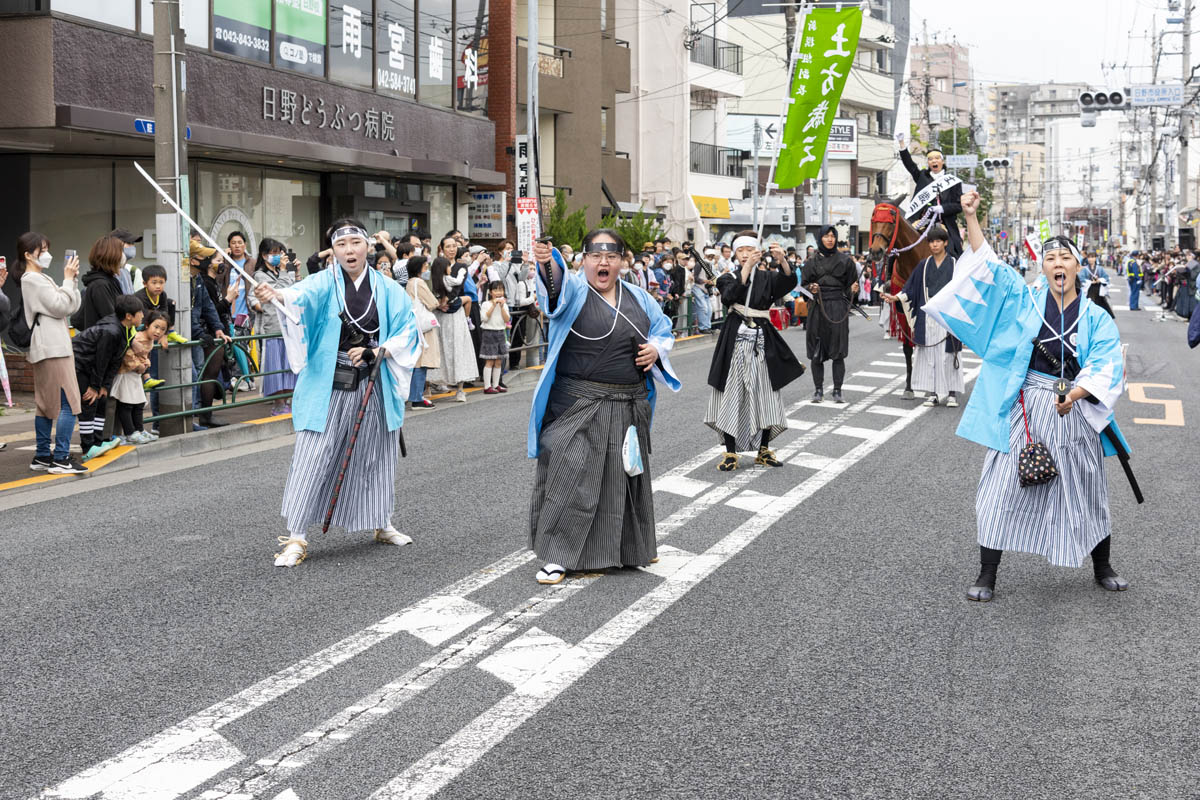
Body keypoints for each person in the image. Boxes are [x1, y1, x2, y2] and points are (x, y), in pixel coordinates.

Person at [925, 191, 1131, 602]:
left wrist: (1075, 394)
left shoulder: (1096, 317)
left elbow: (1107, 362)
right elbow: (989, 265)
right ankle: (987, 573)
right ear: (1043, 266)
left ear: (1078, 268)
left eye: (1066, 259)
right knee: (1000, 485)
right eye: (1051, 259)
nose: (1058, 265)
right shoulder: (1024, 300)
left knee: (1086, 487)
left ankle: (1102, 565)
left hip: (1075, 408)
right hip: (1026, 405)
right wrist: (971, 216)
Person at [252, 218, 421, 567]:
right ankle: (296, 535)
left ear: (367, 247)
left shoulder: (388, 288)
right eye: (341, 245)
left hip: (374, 379)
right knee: (315, 454)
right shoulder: (322, 283)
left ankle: (381, 521)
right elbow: (299, 296)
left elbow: (409, 330)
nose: (349, 251)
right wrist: (277, 294)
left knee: (376, 453)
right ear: (334, 250)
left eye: (355, 244)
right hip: (330, 381)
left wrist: (379, 351)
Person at [527, 229, 681, 585]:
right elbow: (555, 292)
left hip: (627, 403)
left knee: (622, 479)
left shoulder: (640, 298)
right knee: (571, 470)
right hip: (577, 403)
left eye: (611, 257)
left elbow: (663, 330)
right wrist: (549, 262)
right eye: (596, 256)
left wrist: (656, 349)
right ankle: (558, 555)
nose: (603, 262)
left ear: (623, 262)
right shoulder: (576, 291)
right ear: (584, 260)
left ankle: (627, 550)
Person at [704, 232, 803, 471]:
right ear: (735, 254)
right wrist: (746, 269)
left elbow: (788, 283)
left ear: (758, 251)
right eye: (741, 251)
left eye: (750, 249)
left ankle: (764, 449)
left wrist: (782, 261)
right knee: (732, 396)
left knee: (766, 395)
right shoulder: (727, 277)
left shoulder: (768, 277)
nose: (746, 254)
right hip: (735, 342)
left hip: (762, 341)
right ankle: (730, 452)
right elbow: (729, 297)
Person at [18, 233, 87, 474]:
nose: (47, 254)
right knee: (69, 402)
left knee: (46, 404)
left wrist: (72, 282)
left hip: (50, 346)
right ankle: (60, 457)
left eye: (47, 248)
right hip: (53, 347)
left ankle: (42, 456)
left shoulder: (40, 278)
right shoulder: (32, 279)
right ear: (28, 254)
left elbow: (70, 305)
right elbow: (59, 307)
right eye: (42, 249)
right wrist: (67, 280)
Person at [883, 225, 964, 408]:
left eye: (938, 241)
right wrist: (895, 297)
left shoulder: (954, 264)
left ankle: (951, 393)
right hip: (928, 316)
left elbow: (963, 290)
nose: (934, 245)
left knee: (949, 355)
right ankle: (934, 392)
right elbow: (910, 288)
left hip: (948, 316)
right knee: (930, 355)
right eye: (931, 242)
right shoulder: (923, 265)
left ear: (945, 243)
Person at [73, 294, 143, 460]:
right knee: (89, 402)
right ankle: (87, 447)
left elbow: (114, 361)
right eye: (140, 313)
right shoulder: (111, 332)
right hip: (79, 365)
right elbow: (101, 360)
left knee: (102, 401)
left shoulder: (125, 329)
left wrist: (104, 386)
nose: (143, 316)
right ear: (128, 316)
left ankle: (98, 442)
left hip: (91, 367)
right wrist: (95, 386)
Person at [802, 225, 857, 403]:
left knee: (838, 349)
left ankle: (837, 390)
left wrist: (852, 289)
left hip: (838, 306)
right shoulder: (811, 262)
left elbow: (850, 288)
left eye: (833, 236)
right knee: (816, 349)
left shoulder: (846, 261)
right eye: (826, 236)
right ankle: (818, 390)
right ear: (820, 239)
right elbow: (803, 287)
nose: (830, 239)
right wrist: (811, 288)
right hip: (817, 307)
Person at [250, 238, 299, 415]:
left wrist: (295, 272)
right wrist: (285, 272)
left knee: (289, 365)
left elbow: (294, 292)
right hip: (273, 326)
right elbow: (277, 293)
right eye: (274, 253)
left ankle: (287, 401)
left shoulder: (282, 272)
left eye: (280, 253)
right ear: (264, 255)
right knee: (276, 367)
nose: (278, 256)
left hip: (289, 326)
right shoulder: (260, 276)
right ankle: (278, 404)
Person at [898, 134, 964, 257]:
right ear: (928, 163)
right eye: (930, 159)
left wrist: (943, 208)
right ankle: (889, 273)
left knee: (954, 252)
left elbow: (958, 206)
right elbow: (910, 165)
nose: (934, 161)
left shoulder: (953, 181)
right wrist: (902, 144)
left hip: (944, 223)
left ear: (942, 161)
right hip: (921, 222)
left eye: (937, 158)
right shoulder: (922, 176)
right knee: (902, 246)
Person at [427, 251, 478, 401]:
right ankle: (459, 390)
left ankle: (429, 388)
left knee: (440, 351)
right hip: (451, 318)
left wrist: (440, 304)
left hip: (442, 318)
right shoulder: (442, 280)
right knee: (456, 350)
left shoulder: (433, 281)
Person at [111, 310, 168, 444]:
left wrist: (146, 362)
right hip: (125, 373)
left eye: (163, 329)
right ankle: (131, 433)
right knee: (126, 404)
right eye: (156, 327)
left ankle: (139, 430)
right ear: (147, 325)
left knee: (139, 403)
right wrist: (139, 365)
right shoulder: (137, 338)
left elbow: (144, 356)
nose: (158, 332)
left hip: (136, 375)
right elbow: (127, 354)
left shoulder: (150, 340)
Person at [404, 255, 440, 409]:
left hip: (414, 324)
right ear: (420, 268)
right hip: (423, 327)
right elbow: (432, 303)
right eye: (425, 266)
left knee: (417, 361)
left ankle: (415, 396)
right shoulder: (419, 282)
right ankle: (417, 398)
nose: (427, 269)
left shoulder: (409, 283)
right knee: (421, 362)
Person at [76, 235, 126, 331]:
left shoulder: (111, 281)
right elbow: (111, 319)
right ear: (111, 255)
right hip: (103, 343)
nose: (123, 255)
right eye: (121, 251)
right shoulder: (100, 285)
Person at [480, 281, 511, 393]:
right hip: (489, 333)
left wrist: (502, 307)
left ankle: (496, 384)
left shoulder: (505, 305)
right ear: (490, 292)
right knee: (490, 360)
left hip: (500, 332)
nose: (499, 292)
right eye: (496, 290)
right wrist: (493, 306)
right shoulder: (485, 304)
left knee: (498, 360)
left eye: (501, 290)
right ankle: (487, 386)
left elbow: (507, 320)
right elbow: (484, 318)